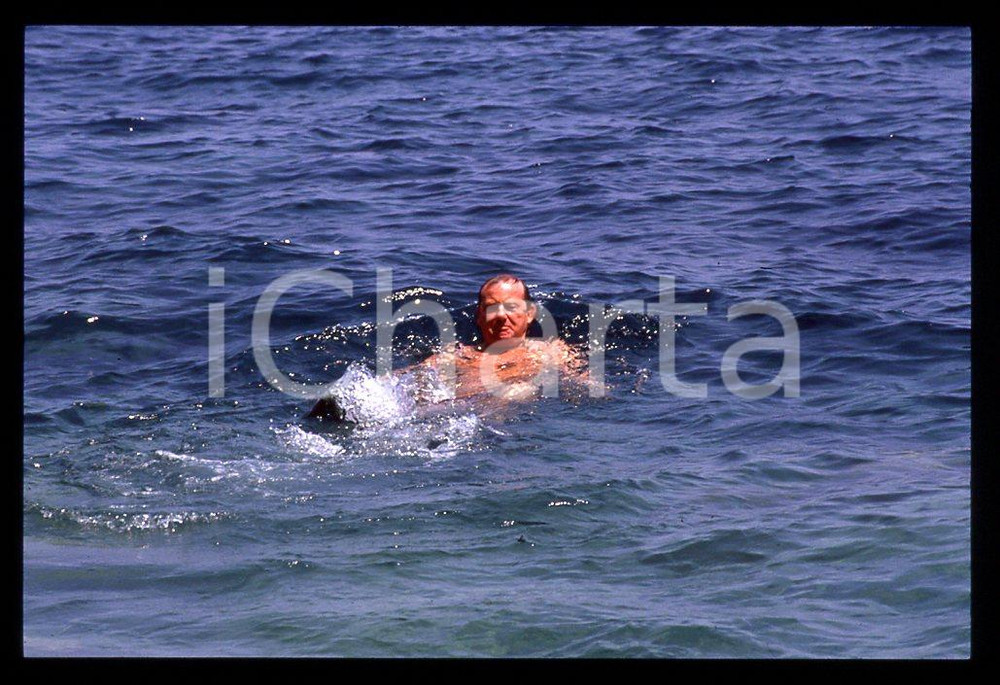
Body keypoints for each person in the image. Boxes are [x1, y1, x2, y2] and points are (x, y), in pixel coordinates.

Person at [308, 274, 587, 421]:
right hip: (448, 413)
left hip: (490, 414)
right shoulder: (458, 355)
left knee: (518, 390)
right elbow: (404, 377)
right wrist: (362, 391)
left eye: (511, 307)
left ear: (530, 313)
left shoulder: (549, 350)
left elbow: (582, 384)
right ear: (479, 316)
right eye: (492, 308)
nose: (502, 316)